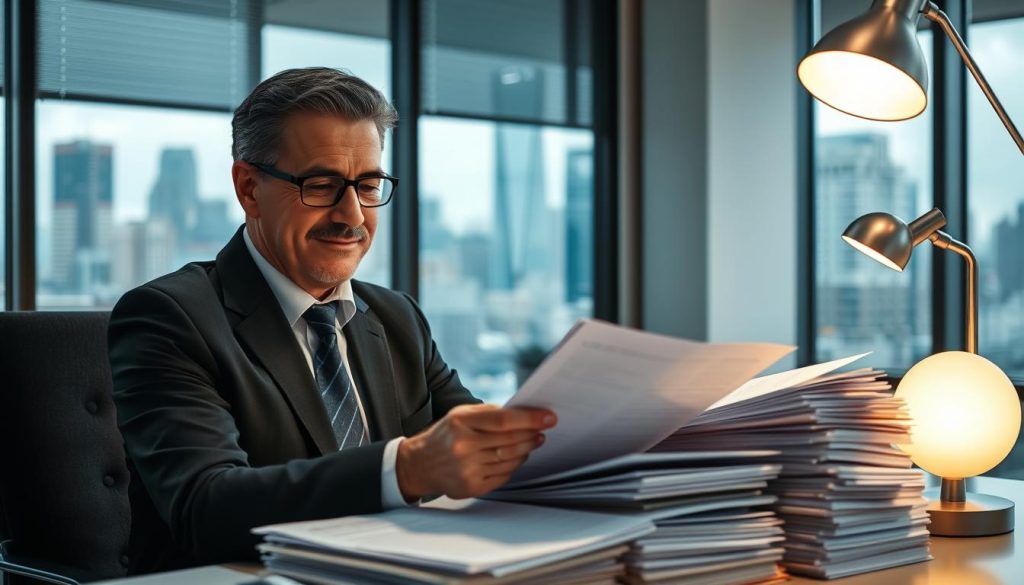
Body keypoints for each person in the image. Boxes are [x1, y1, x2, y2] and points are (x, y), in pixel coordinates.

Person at [108, 67, 557, 573]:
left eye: (367, 186)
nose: (352, 215)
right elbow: (206, 508)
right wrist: (404, 468)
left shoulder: (397, 317)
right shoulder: (170, 318)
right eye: (321, 186)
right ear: (249, 188)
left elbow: (477, 447)